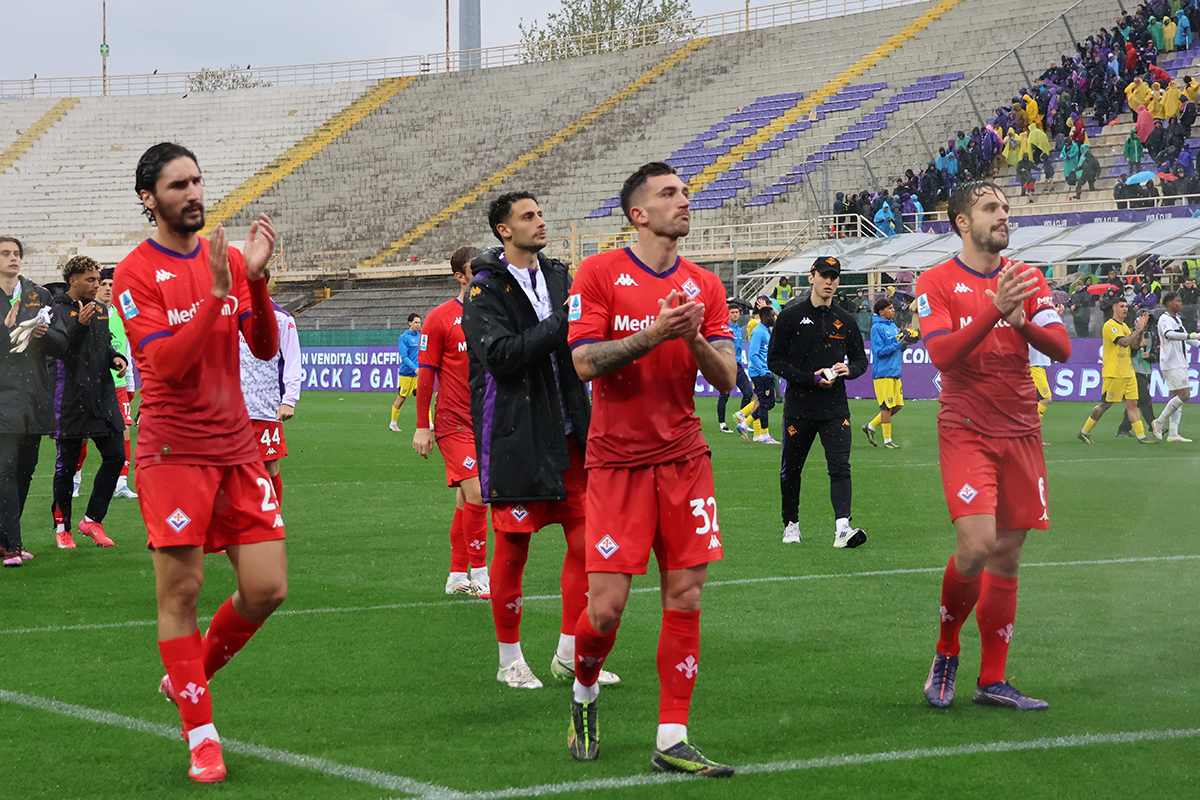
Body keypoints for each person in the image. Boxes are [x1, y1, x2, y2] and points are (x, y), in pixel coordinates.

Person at [113, 142, 286, 783]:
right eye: (178, 185)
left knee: (268, 588)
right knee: (181, 592)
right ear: (149, 198)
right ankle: (201, 733)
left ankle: (185, 678)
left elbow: (263, 347)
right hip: (172, 449)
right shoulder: (133, 273)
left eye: (197, 181)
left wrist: (257, 282)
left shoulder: (231, 261)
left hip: (237, 445)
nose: (193, 193)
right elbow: (167, 366)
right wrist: (217, 293)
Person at [566, 162, 737, 775]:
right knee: (606, 608)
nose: (683, 201)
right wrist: (653, 334)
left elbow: (728, 378)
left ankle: (672, 737)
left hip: (685, 459)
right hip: (615, 463)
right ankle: (583, 690)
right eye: (669, 194)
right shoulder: (599, 272)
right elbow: (585, 362)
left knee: (686, 597)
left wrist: (688, 338)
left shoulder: (705, 285)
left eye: (685, 192)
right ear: (638, 214)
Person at [916, 181, 1072, 712]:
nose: (1003, 216)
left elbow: (1063, 349)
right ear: (963, 222)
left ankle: (993, 680)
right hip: (966, 428)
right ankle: (946, 650)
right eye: (990, 208)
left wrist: (1020, 317)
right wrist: (994, 310)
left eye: (1006, 207)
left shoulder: (1028, 279)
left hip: (1022, 429)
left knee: (1006, 556)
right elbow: (940, 355)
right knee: (977, 545)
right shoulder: (934, 282)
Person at [462, 192, 619, 691]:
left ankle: (570, 653)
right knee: (512, 551)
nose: (540, 221)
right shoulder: (483, 291)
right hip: (517, 435)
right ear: (503, 230)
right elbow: (503, 356)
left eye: (539, 213)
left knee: (588, 547)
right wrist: (563, 321)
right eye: (527, 216)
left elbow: (581, 335)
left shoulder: (558, 276)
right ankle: (510, 659)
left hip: (570, 430)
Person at [767, 256, 869, 548]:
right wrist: (809, 378)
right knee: (792, 470)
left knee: (840, 467)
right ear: (811, 277)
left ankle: (842, 529)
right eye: (824, 275)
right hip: (799, 407)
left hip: (835, 408)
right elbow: (774, 360)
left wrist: (850, 370)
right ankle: (791, 524)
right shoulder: (790, 316)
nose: (829, 281)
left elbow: (860, 360)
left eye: (834, 277)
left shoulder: (845, 320)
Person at [413, 247, 490, 598]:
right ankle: (481, 575)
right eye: (476, 271)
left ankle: (456, 575)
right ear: (460, 277)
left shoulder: (496, 315)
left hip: (487, 421)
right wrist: (422, 424)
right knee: (477, 493)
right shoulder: (440, 318)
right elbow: (426, 374)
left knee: (464, 500)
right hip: (453, 421)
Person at [47, 256, 127, 550]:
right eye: (91, 280)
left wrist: (116, 358)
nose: (97, 285)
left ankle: (92, 519)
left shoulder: (102, 310)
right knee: (66, 468)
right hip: (70, 399)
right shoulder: (55, 312)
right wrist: (79, 326)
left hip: (102, 397)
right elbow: (62, 352)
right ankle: (62, 527)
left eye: (98, 279)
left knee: (117, 455)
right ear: (73, 281)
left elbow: (101, 345)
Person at [0, 235, 53, 566]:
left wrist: (45, 334)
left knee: (25, 470)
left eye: (16, 253)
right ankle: (13, 546)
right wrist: (6, 331)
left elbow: (60, 345)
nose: (13, 258)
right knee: (4, 468)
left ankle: (5, 539)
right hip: (3, 395)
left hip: (33, 395)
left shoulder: (39, 294)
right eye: (5, 253)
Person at [238, 271, 301, 500]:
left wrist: (289, 400)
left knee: (270, 466)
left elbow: (293, 361)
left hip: (266, 407)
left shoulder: (282, 319)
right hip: (233, 409)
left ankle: (274, 521)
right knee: (234, 468)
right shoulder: (232, 316)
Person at [1078, 299, 1153, 444]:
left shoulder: (1125, 326)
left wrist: (1141, 329)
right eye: (1122, 306)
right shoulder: (1109, 325)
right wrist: (1136, 330)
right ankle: (1084, 432)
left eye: (1126, 306)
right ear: (1114, 308)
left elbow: (1134, 347)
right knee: (1106, 404)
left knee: (1132, 404)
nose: (1125, 309)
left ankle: (1141, 436)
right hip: (1114, 372)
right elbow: (1124, 342)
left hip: (1128, 371)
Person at [98, 268, 138, 499]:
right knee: (83, 435)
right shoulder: (88, 314)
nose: (107, 288)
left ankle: (121, 483)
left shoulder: (123, 316)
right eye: (103, 284)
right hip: (94, 386)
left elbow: (127, 350)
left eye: (112, 285)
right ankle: (75, 479)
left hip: (119, 385)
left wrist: (130, 383)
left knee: (124, 430)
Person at [863, 298, 914, 449]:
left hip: (895, 371)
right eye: (890, 308)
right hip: (883, 373)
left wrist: (906, 341)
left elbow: (899, 348)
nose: (893, 310)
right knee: (886, 407)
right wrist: (899, 342)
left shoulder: (893, 326)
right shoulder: (877, 328)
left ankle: (871, 426)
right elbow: (879, 351)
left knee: (897, 406)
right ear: (881, 312)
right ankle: (887, 441)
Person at [1152, 291, 1199, 441]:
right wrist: (1190, 335)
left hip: (1179, 361)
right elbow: (1169, 335)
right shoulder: (1164, 319)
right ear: (1169, 303)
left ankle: (1173, 433)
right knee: (1184, 395)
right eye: (1178, 301)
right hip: (1172, 362)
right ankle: (1158, 422)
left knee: (1176, 398)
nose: (1181, 304)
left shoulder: (1177, 319)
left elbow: (1187, 339)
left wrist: (1196, 340)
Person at [737, 305, 779, 444]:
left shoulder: (766, 331)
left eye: (773, 316)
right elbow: (753, 354)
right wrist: (762, 372)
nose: (773, 318)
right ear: (763, 317)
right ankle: (765, 435)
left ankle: (744, 424)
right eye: (771, 316)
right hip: (761, 373)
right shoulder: (758, 332)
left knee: (769, 403)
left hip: (766, 371)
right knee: (766, 402)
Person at [717, 303, 754, 434]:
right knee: (724, 395)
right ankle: (722, 424)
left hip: (737, 365)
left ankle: (742, 422)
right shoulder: (725, 329)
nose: (735, 314)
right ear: (728, 314)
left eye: (736, 312)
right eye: (732, 312)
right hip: (726, 365)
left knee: (748, 393)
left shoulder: (738, 329)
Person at [389, 313, 421, 432]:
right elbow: (404, 356)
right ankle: (393, 423)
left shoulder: (421, 337)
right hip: (407, 374)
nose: (418, 325)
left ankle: (429, 423)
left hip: (419, 373)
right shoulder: (404, 338)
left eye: (419, 322)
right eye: (416, 322)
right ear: (409, 323)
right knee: (401, 399)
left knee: (423, 397)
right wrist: (414, 368)